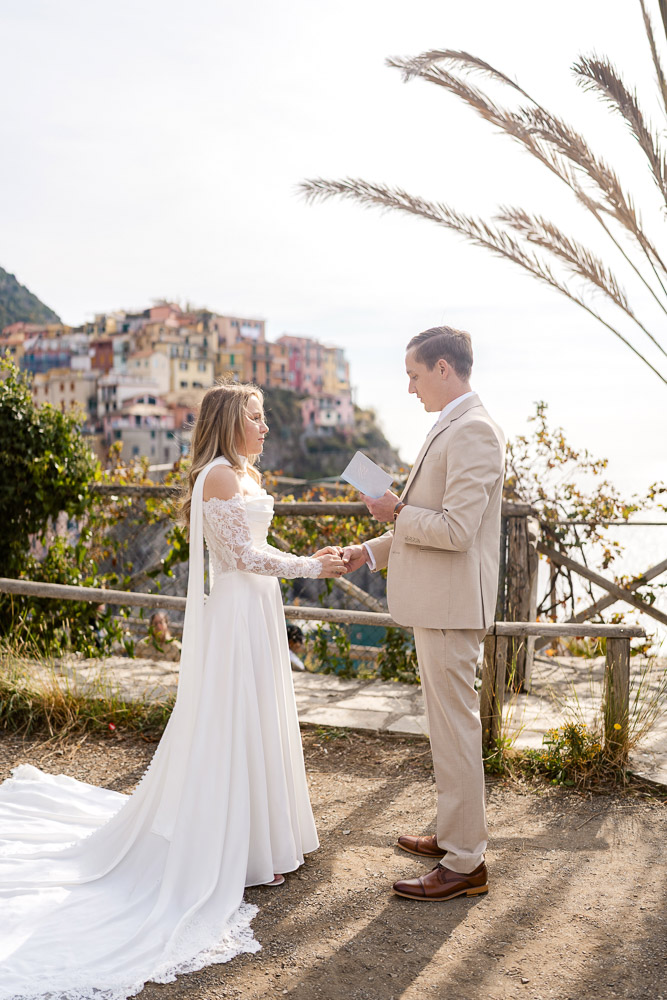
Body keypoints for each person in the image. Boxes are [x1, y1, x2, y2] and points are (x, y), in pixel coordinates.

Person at [0, 381, 347, 1000]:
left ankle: (263, 837)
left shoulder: (237, 473)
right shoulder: (216, 476)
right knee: (235, 721)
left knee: (257, 717)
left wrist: (304, 557)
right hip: (239, 614)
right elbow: (241, 558)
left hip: (256, 611)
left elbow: (258, 546)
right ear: (230, 423)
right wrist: (311, 567)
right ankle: (234, 845)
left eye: (266, 418)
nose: (266, 428)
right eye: (257, 419)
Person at [342, 326, 505, 902]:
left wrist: (396, 508)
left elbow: (456, 531)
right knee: (445, 727)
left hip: (452, 607)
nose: (409, 388)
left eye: (413, 375)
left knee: (457, 730)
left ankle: (466, 862)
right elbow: (421, 523)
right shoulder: (449, 426)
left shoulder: (476, 431)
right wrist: (366, 550)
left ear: (442, 368)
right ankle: (452, 834)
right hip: (438, 604)